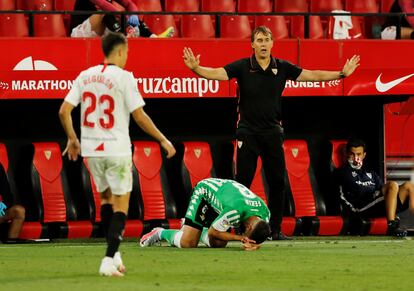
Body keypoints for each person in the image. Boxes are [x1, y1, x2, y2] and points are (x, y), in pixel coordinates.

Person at [182, 25, 361, 240]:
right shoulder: (242, 66)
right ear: (253, 45)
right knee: (241, 184)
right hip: (247, 133)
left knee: (278, 182)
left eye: (267, 39)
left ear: (272, 43)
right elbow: (218, 73)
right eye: (259, 40)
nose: (263, 44)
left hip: (273, 133)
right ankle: (239, 229)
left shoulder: (282, 67)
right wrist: (196, 69)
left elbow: (311, 74)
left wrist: (341, 74)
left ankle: (275, 230)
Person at [59, 32, 176, 277]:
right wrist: (163, 139)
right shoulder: (124, 77)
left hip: (92, 151)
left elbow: (64, 111)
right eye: (128, 52)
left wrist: (72, 139)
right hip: (117, 149)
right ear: (121, 51)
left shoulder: (85, 76)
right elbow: (140, 116)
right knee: (121, 206)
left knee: (106, 201)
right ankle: (108, 259)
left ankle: (116, 254)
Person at [140, 178, 271, 251]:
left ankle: (192, 228)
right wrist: (241, 239)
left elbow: (258, 233)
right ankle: (159, 232)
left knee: (218, 243)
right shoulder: (234, 212)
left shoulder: (265, 214)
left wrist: (254, 243)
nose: (245, 236)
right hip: (204, 194)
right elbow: (213, 232)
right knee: (188, 243)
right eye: (247, 235)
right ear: (248, 228)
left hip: (222, 201)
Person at [334, 138, 414, 237]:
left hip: (373, 204)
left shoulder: (370, 173)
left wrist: (382, 192)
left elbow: (382, 189)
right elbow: (360, 191)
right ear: (346, 154)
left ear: (364, 155)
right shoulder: (342, 172)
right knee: (392, 185)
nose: (355, 158)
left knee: (408, 186)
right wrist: (379, 192)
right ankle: (391, 226)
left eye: (358, 154)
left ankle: (397, 221)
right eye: (352, 154)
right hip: (358, 208)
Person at [70, 0, 174, 38]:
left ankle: (154, 37)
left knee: (128, 17)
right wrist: (125, 17)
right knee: (104, 11)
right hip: (79, 32)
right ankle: (124, 35)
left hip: (100, 31)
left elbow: (129, 4)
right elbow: (102, 4)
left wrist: (133, 14)